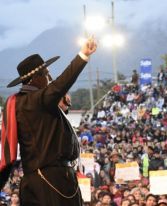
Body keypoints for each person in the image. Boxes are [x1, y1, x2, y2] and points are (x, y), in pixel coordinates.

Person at [0, 37, 97, 206]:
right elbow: (61, 84)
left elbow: (44, 124)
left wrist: (61, 109)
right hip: (52, 180)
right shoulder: (37, 99)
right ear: (35, 78)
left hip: (36, 179)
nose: (49, 79)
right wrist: (83, 55)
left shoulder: (22, 103)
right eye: (46, 74)